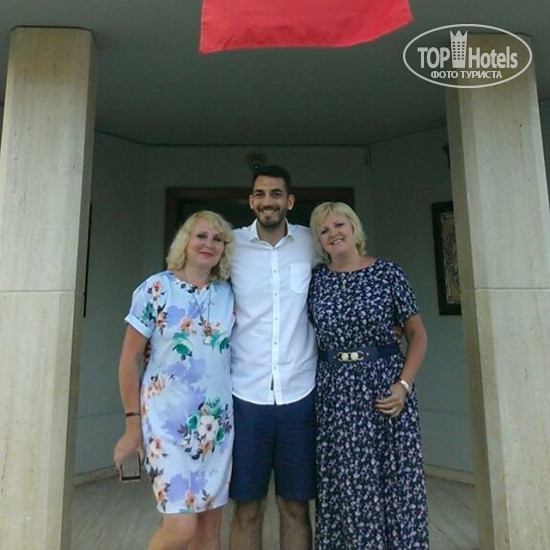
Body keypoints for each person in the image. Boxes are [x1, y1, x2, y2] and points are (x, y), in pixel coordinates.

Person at [307, 201, 429, 550]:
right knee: (348, 487)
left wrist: (403, 385)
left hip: (385, 391)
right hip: (336, 395)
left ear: (354, 228)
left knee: (395, 484)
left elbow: (417, 335)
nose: (333, 233)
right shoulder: (316, 280)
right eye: (324, 230)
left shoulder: (388, 273)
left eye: (339, 225)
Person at [113, 210, 235, 550]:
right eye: (201, 236)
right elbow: (129, 360)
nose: (209, 244)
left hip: (216, 428)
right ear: (185, 241)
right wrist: (132, 426)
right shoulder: (156, 289)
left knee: (209, 532)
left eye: (217, 239)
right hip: (166, 426)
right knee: (180, 528)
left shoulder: (227, 294)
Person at [229, 165, 318, 550]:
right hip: (245, 395)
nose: (268, 201)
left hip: (300, 393)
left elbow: (347, 276)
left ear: (290, 201)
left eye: (276, 194)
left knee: (295, 506)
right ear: (251, 201)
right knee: (247, 508)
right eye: (261, 194)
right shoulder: (230, 246)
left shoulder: (312, 242)